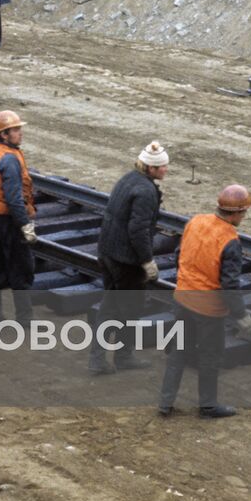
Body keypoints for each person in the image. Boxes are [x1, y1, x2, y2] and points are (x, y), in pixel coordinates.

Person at [158, 185, 251, 419]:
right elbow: (230, 285)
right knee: (210, 357)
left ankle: (165, 402)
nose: (245, 217)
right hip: (208, 310)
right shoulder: (230, 240)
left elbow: (179, 255)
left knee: (178, 352)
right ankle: (208, 406)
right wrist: (241, 315)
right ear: (235, 213)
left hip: (183, 299)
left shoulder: (196, 221)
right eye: (244, 212)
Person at [88, 141, 169, 375]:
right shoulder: (145, 191)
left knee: (111, 305)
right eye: (162, 166)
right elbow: (139, 230)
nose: (165, 170)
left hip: (107, 252)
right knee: (128, 308)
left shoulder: (128, 179)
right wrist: (147, 261)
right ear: (151, 168)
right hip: (125, 260)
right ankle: (120, 357)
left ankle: (103, 358)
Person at [0, 110, 36, 326]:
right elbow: (14, 199)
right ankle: (24, 321)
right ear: (4, 134)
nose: (20, 133)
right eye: (16, 130)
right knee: (21, 269)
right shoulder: (9, 160)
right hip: (7, 220)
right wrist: (25, 225)